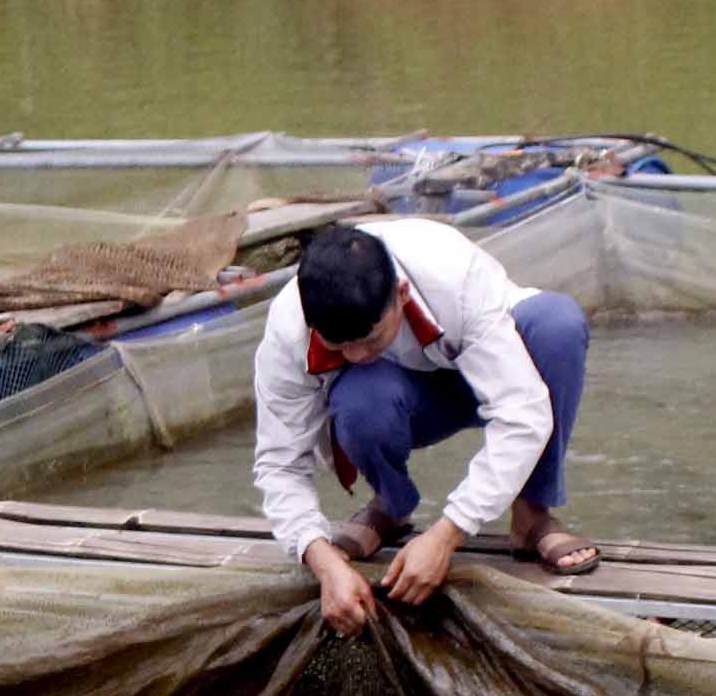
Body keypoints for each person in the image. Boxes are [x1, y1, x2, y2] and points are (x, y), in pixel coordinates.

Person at [251, 217, 596, 637]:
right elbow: (280, 462)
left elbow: (522, 410)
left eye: (371, 338)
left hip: (496, 368)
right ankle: (390, 507)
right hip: (399, 397)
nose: (357, 354)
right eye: (338, 345)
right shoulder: (289, 327)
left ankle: (531, 516)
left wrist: (447, 534)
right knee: (358, 398)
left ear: (400, 295)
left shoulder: (452, 273)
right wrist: (322, 562)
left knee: (556, 325)